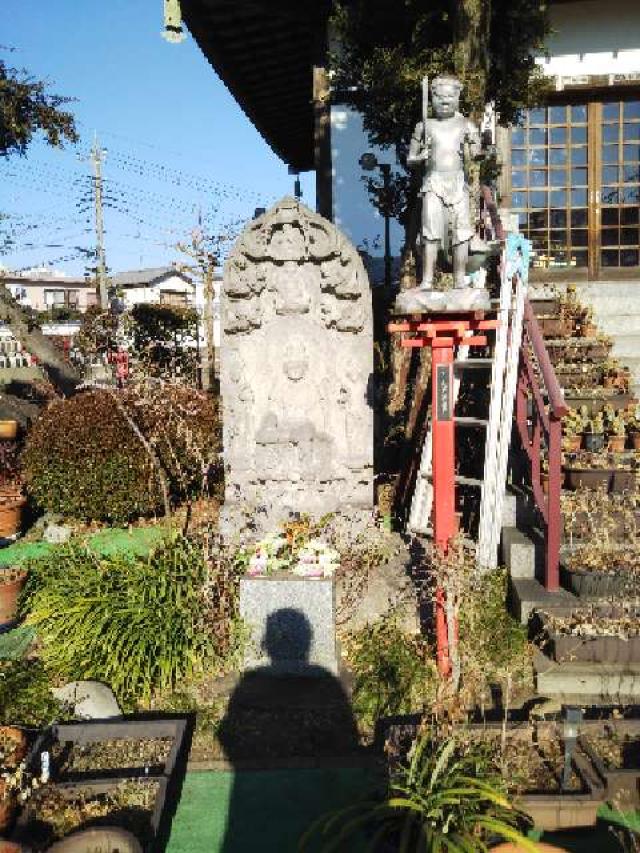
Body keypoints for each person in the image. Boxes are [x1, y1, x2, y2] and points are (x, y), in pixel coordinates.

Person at [408, 75, 482, 290]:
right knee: (430, 230)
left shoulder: (466, 125)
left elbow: (475, 153)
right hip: (433, 182)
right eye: (439, 97)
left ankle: (460, 280)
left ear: (458, 97)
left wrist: (479, 149)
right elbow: (411, 159)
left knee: (461, 232)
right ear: (432, 98)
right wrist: (419, 157)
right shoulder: (423, 126)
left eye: (450, 96)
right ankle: (427, 279)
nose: (445, 101)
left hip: (457, 182)